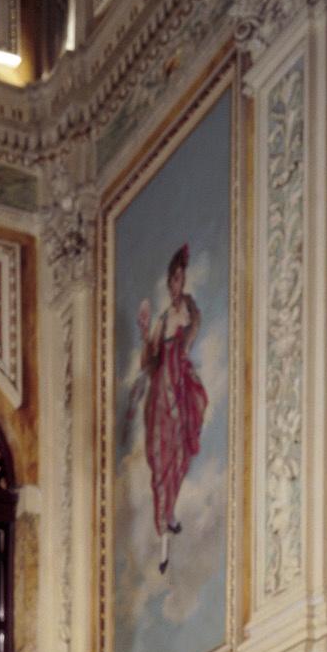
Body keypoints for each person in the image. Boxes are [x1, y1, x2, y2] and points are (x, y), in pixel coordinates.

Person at [122, 244, 207, 574]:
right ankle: (164, 524)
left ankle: (169, 514)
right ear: (169, 281)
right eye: (173, 279)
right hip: (160, 396)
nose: (176, 284)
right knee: (161, 456)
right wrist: (145, 335)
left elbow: (188, 340)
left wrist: (181, 354)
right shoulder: (162, 319)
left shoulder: (187, 311)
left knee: (179, 452)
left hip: (178, 389)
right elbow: (147, 360)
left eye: (180, 279)